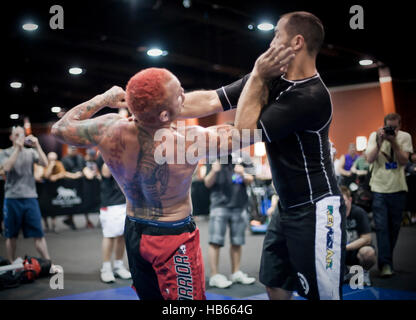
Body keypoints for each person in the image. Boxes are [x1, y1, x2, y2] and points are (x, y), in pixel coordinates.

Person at [51, 67, 257, 300]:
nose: (184, 96)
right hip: (172, 236)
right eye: (180, 95)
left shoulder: (108, 129)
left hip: (134, 230)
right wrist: (259, 78)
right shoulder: (189, 142)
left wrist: (104, 99)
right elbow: (248, 132)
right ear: (165, 116)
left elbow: (59, 128)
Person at [179, 11, 345, 300]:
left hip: (317, 208)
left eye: (276, 36)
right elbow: (208, 100)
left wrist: (256, 74)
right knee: (275, 283)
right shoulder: (272, 80)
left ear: (296, 42)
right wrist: (156, 106)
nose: (270, 43)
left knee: (323, 295)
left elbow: (243, 133)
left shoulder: (310, 97)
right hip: (287, 207)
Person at [365, 113, 413, 277]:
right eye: (389, 127)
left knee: (394, 228)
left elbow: (404, 161)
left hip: (398, 188)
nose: (392, 130)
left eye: (395, 127)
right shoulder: (374, 135)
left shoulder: (405, 137)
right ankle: (385, 264)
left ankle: (387, 261)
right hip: (379, 188)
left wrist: (394, 142)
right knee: (381, 228)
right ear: (384, 125)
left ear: (399, 126)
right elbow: (370, 159)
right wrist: (380, 142)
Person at [0, 126, 53, 263]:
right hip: (12, 199)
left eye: (21, 135)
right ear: (11, 137)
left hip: (30, 197)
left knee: (39, 234)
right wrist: (17, 148)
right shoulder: (5, 152)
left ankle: (48, 263)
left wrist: (37, 145)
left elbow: (45, 163)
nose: (19, 137)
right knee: (11, 235)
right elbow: (6, 168)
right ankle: (12, 263)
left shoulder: (30, 153)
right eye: (16, 135)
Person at [204, 156, 255, 288]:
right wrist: (214, 171)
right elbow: (207, 183)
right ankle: (214, 275)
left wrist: (242, 173)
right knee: (215, 241)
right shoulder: (212, 158)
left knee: (237, 241)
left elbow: (251, 180)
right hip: (219, 206)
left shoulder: (243, 157)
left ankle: (236, 272)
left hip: (239, 205)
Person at [97, 158, 131, 283]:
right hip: (110, 204)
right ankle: (106, 268)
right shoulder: (104, 154)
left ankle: (118, 265)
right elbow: (106, 172)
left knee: (121, 236)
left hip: (124, 202)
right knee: (109, 235)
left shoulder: (124, 153)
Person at [340, 186, 376, 286]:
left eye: (343, 200)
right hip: (339, 253)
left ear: (350, 199)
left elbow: (367, 239)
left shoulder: (359, 212)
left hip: (355, 251)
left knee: (368, 253)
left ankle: (364, 272)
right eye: (338, 201)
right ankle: (344, 272)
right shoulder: (332, 214)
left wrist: (345, 247)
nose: (341, 204)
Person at [61, 145, 84, 230]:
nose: (73, 151)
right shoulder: (64, 159)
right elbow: (63, 172)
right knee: (71, 204)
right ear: (68, 149)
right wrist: (74, 175)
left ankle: (70, 219)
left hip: (80, 184)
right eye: (71, 149)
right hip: (68, 185)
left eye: (74, 149)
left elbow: (84, 167)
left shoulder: (80, 157)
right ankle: (70, 220)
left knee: (79, 202)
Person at [82, 148, 101, 229]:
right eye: (89, 154)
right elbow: (88, 175)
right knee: (86, 205)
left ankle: (101, 220)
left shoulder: (97, 162)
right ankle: (87, 221)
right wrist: (94, 173)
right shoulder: (83, 163)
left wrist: (96, 173)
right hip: (86, 187)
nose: (90, 156)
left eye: (92, 155)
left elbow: (99, 175)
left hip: (96, 187)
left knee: (99, 203)